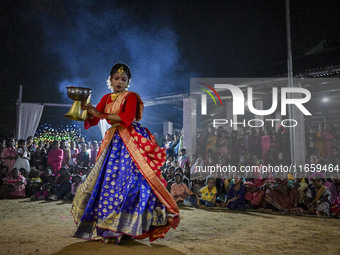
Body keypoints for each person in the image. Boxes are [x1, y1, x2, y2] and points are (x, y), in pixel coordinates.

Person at [71, 63, 179, 243]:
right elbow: (94, 120)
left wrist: (100, 113)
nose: (119, 82)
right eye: (116, 78)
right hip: (113, 142)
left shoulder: (131, 97)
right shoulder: (106, 98)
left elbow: (127, 118)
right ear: (110, 80)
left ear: (128, 82)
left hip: (131, 141)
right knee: (107, 186)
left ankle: (131, 227)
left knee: (134, 184)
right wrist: (86, 110)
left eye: (123, 79)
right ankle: (111, 228)